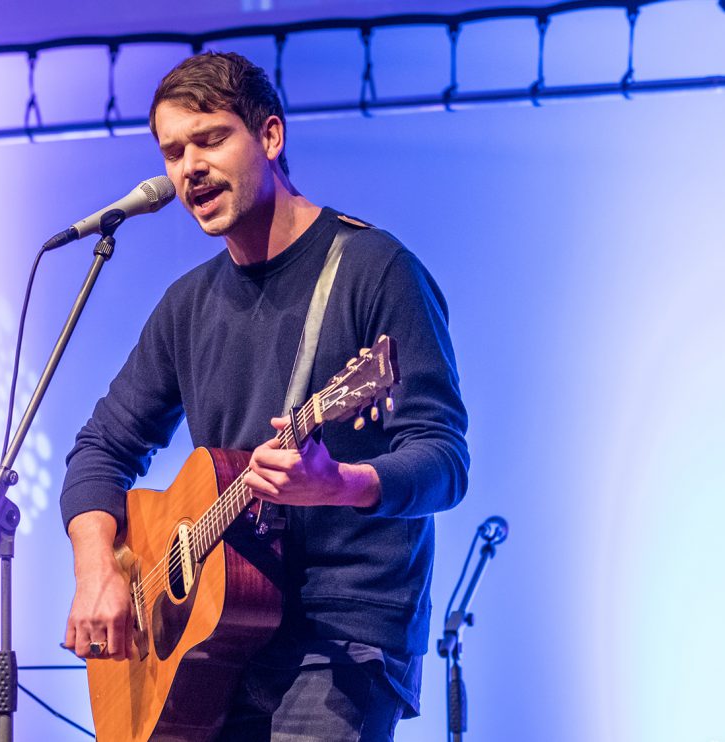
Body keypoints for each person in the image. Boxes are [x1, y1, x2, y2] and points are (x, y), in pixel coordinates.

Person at [59, 51, 469, 741]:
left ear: (270, 137)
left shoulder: (375, 270)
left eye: (210, 139)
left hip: (340, 635)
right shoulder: (187, 305)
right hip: (212, 640)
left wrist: (342, 483)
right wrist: (98, 570)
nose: (189, 167)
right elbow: (100, 448)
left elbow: (444, 459)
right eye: (172, 151)